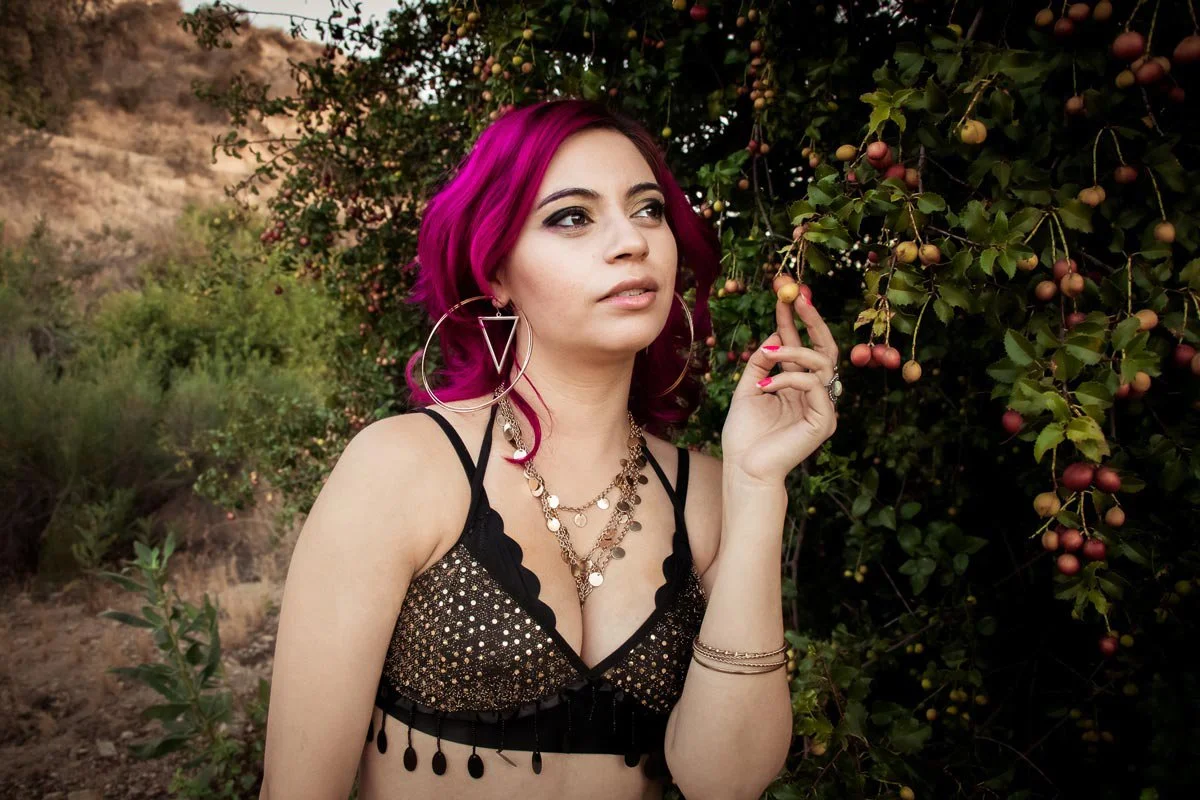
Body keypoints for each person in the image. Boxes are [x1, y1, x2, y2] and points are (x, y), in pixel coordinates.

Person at [260, 99, 840, 800]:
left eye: (649, 209)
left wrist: (756, 486)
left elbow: (728, 782)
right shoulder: (402, 469)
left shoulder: (709, 495)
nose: (632, 241)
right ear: (496, 271)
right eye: (572, 216)